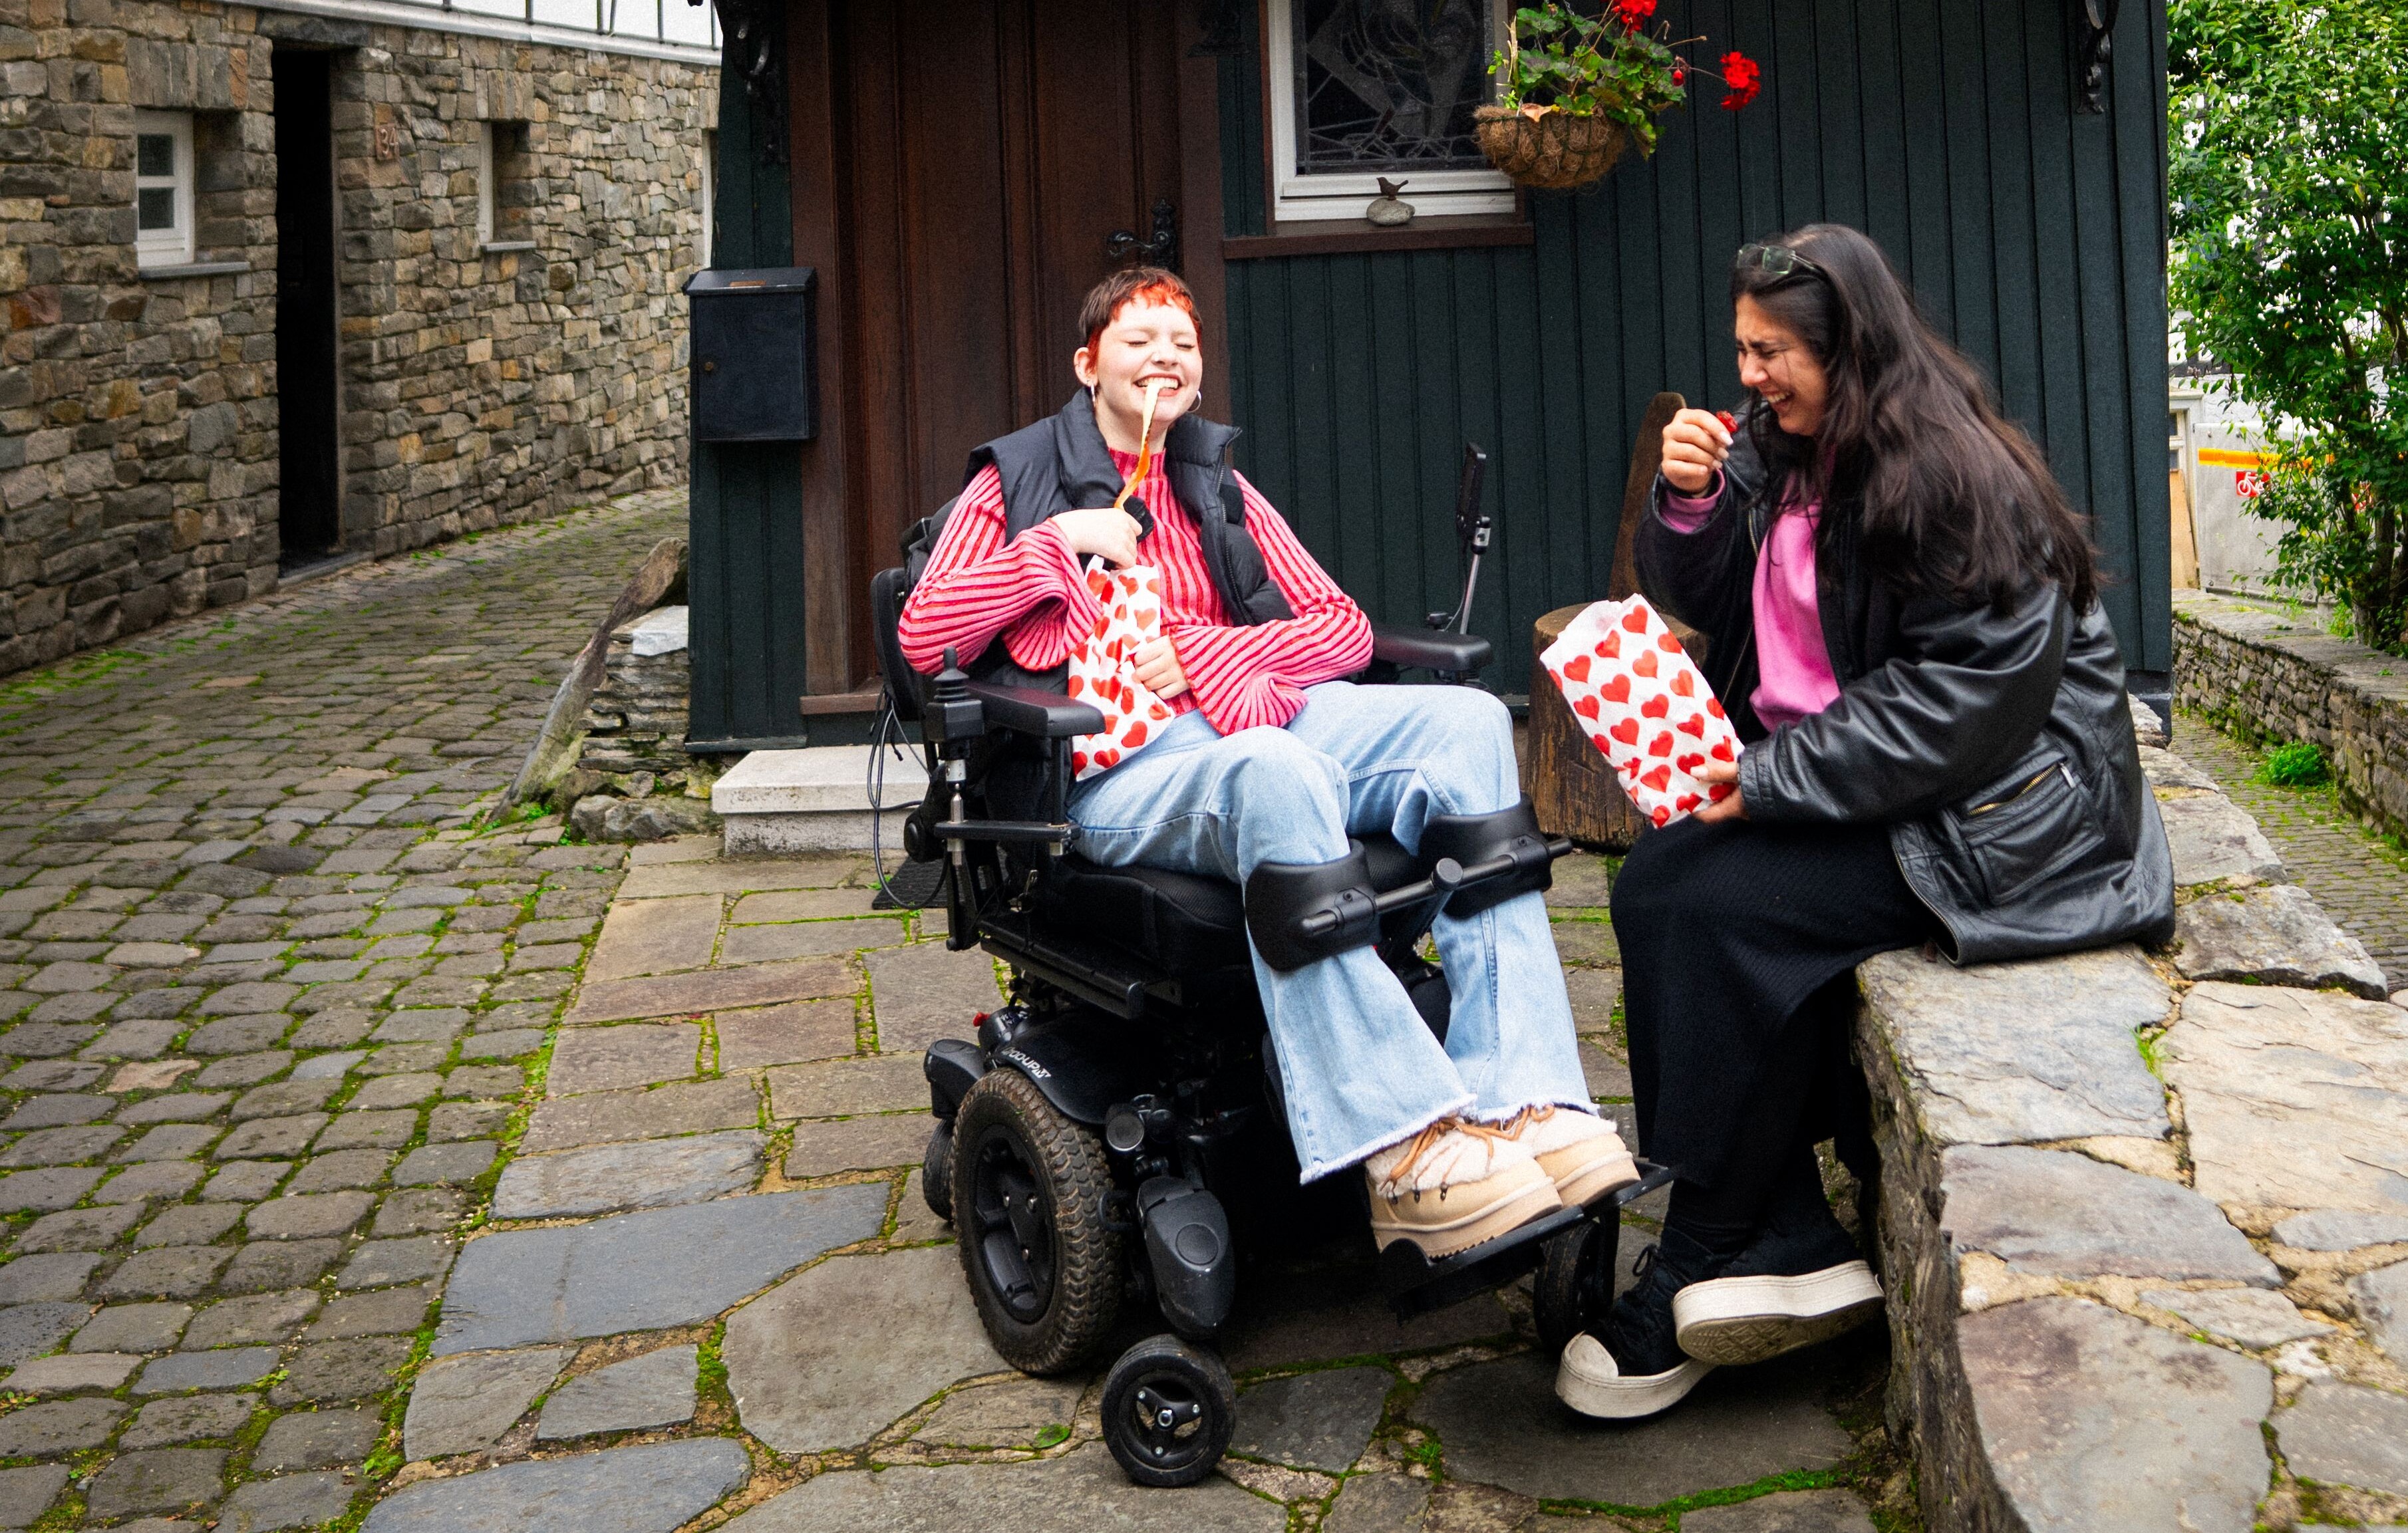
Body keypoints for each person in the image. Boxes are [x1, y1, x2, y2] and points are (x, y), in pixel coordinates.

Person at [1556, 225, 2175, 1419]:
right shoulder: (1780, 446)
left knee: (1721, 906)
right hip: (1851, 774)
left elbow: (1968, 701)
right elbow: (1706, 596)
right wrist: (1684, 507)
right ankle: (1772, 1215)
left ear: (1856, 347)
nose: (1749, 373)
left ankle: (1712, 1240)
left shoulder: (1951, 474)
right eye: (1743, 347)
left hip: (1995, 811)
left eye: (1775, 350)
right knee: (1655, 886)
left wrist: (1781, 780)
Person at [898, 266, 1636, 1259]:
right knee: (1271, 768)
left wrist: (1212, 651)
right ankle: (1407, 1143)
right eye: (1138, 338)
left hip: (1248, 715)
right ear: (1087, 365)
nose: (1165, 355)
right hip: (1115, 770)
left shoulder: (1215, 480)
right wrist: (1059, 540)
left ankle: (1524, 1099)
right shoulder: (1017, 478)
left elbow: (1337, 626)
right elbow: (923, 630)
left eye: (1183, 342)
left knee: (1464, 724)